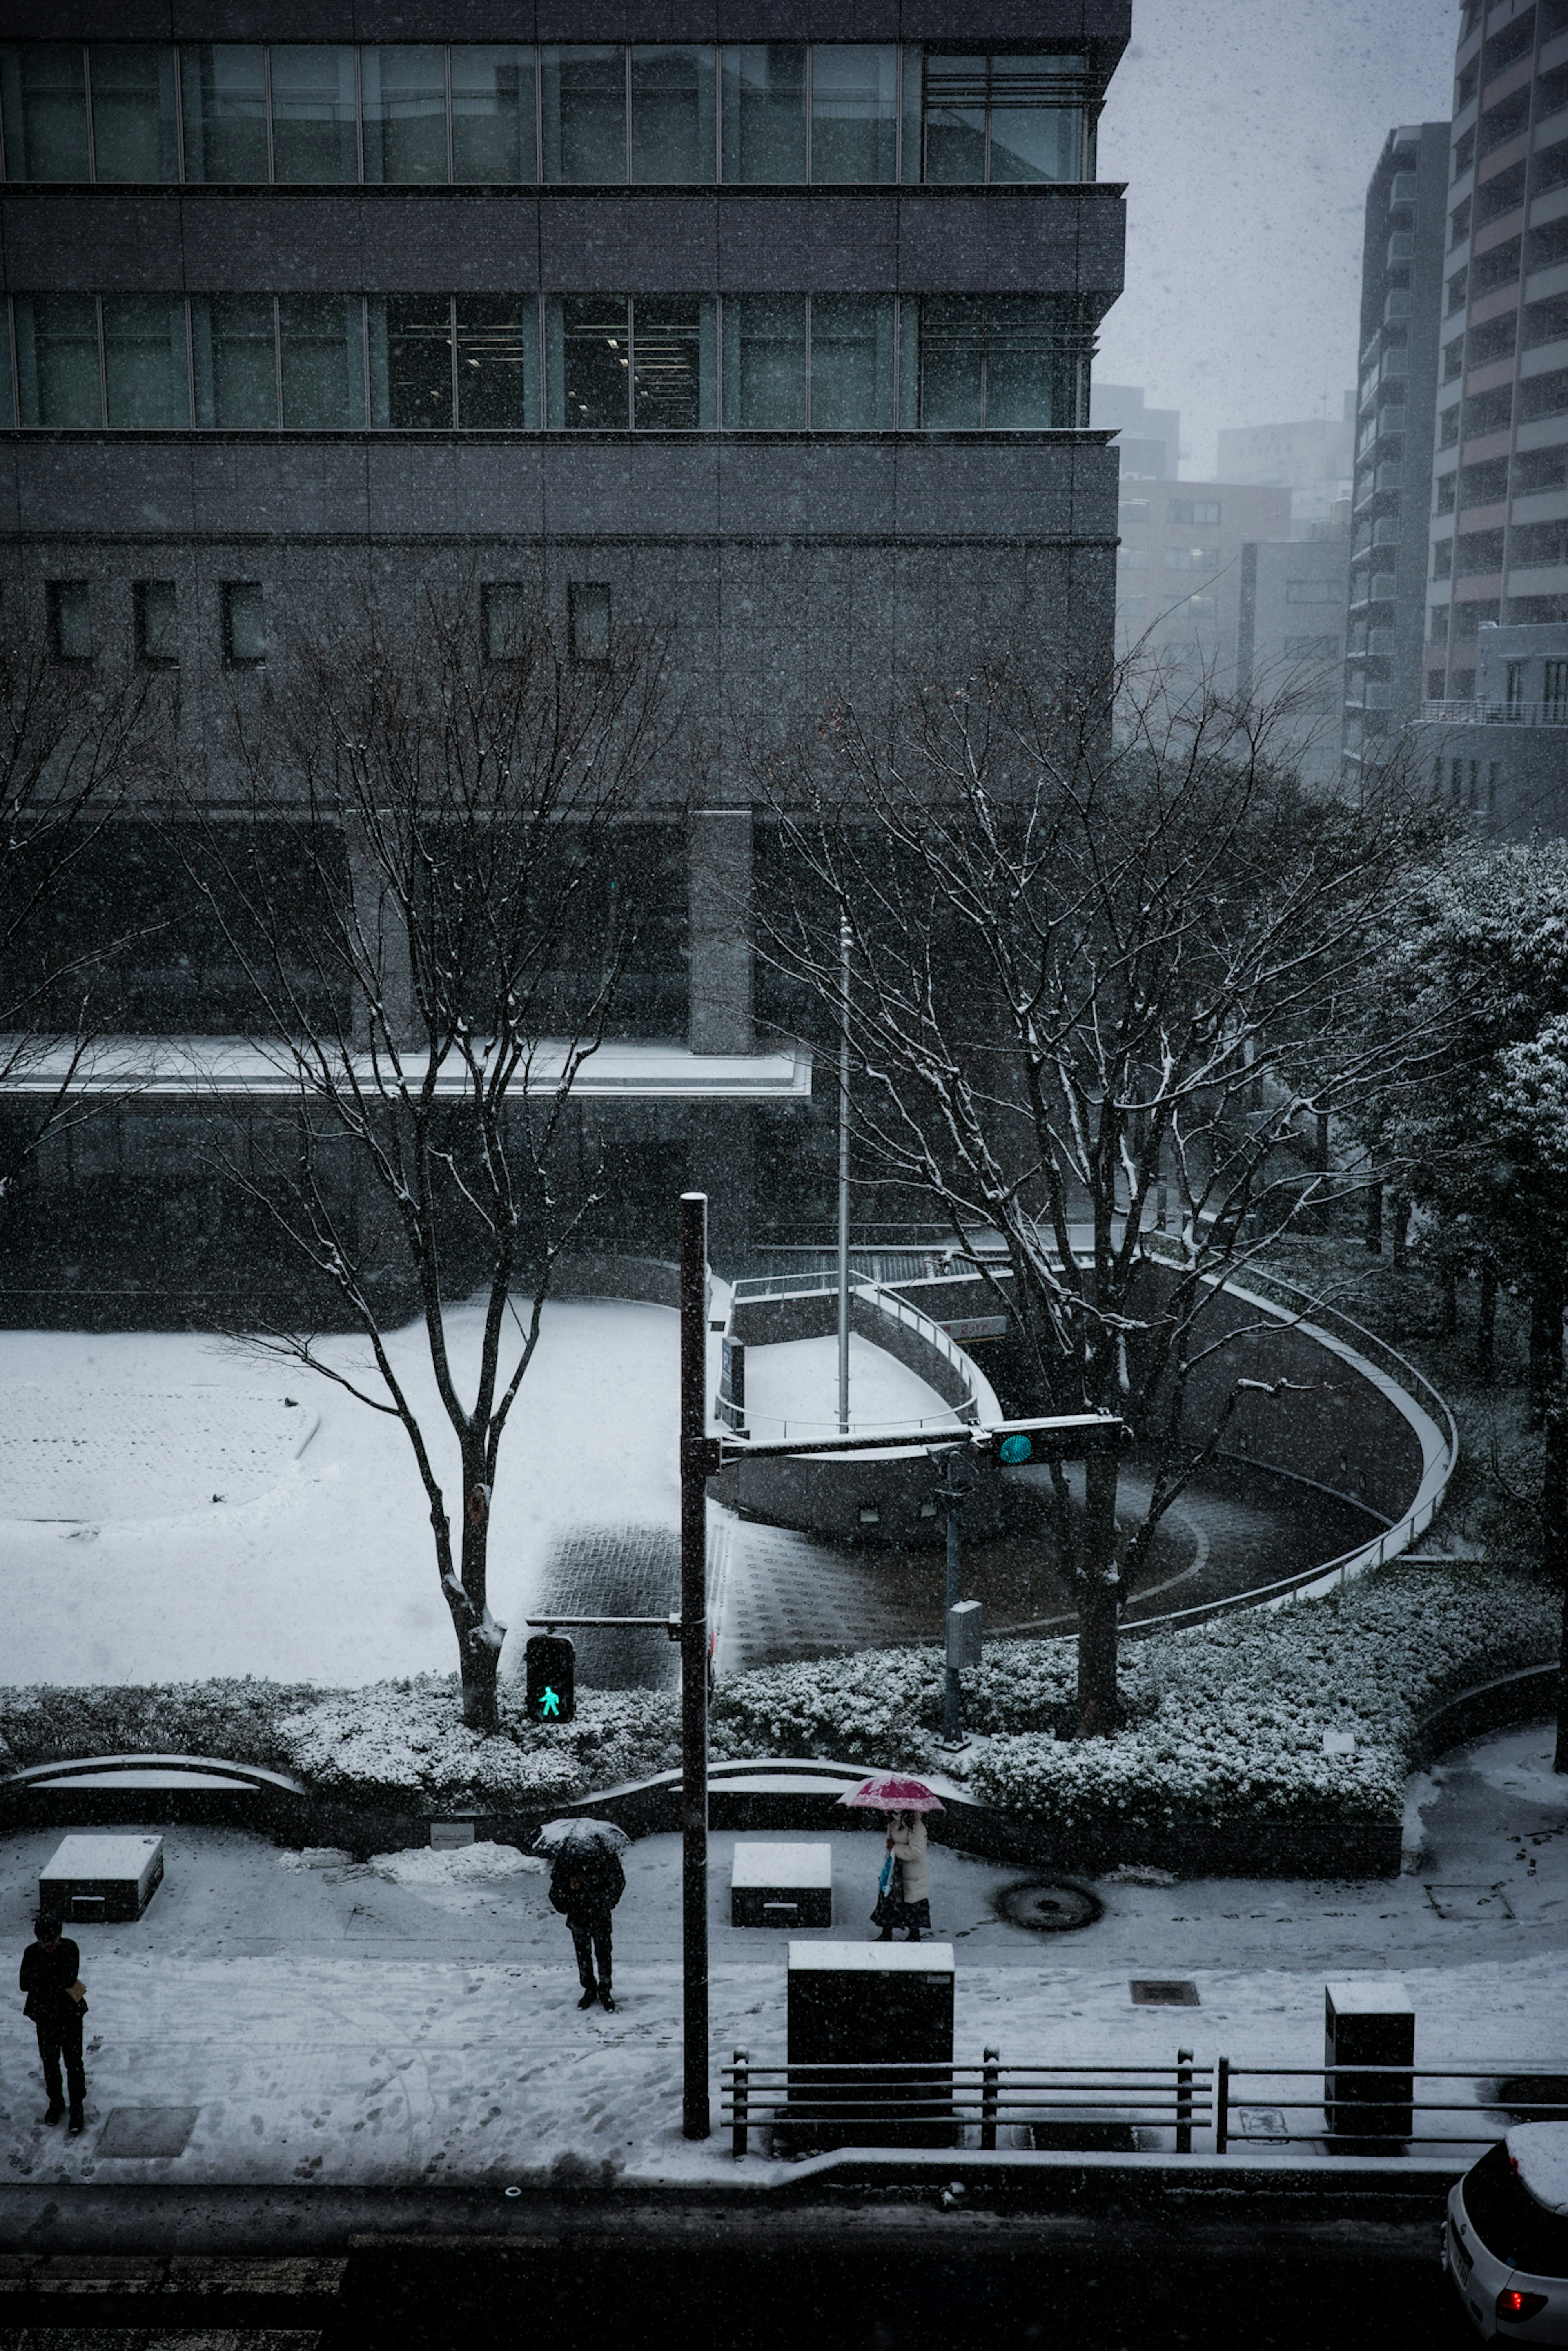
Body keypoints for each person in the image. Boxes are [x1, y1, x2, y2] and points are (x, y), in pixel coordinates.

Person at [20, 1912, 87, 2134]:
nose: (48, 1945)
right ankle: (56, 2102)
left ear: (59, 1936)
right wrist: (51, 1979)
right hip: (47, 2015)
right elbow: (24, 1983)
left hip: (68, 2014)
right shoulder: (32, 1953)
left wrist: (44, 1978)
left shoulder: (70, 1949)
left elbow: (68, 1978)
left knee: (73, 2061)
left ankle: (77, 2106)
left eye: (52, 1940)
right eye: (44, 1941)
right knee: (50, 2062)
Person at [549, 1846, 625, 2012]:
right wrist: (570, 1890)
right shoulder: (566, 1858)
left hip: (600, 1916)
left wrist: (603, 1902)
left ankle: (605, 1989)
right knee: (583, 1954)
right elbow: (556, 1889)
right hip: (579, 1916)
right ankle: (590, 1989)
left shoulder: (605, 1855)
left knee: (603, 1954)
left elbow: (618, 1882)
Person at [873, 1809, 931, 1943]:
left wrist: (895, 1848)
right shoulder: (893, 1822)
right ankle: (887, 1932)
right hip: (894, 1869)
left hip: (912, 1872)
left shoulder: (917, 1827)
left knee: (912, 1903)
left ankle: (914, 1934)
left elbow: (916, 1851)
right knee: (889, 1899)